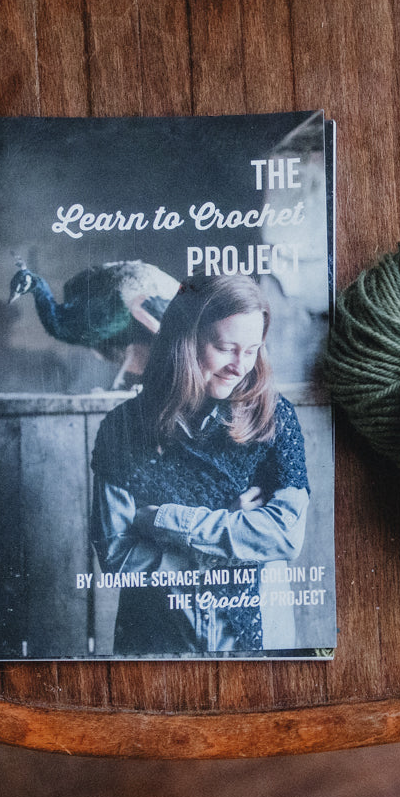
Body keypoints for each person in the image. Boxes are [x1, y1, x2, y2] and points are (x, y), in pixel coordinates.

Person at [89, 272, 310, 656]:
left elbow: (285, 537)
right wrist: (230, 529)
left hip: (255, 644)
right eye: (226, 348)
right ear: (184, 341)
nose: (240, 366)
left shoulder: (274, 419)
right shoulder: (123, 429)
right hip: (159, 642)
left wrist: (168, 521)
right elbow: (116, 556)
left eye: (253, 348)